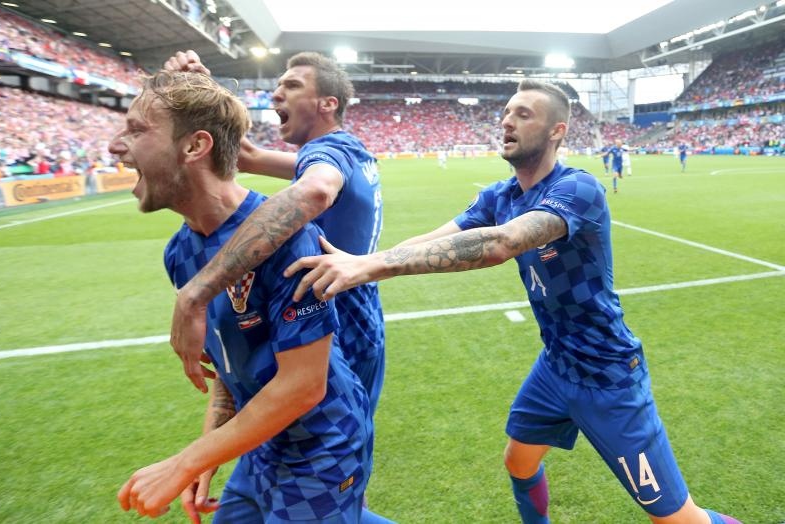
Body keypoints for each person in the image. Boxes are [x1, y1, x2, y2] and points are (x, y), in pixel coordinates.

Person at [284, 80, 741, 524]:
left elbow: (503, 243)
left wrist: (372, 268)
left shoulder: (577, 189)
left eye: (524, 114)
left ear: (557, 130)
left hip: (606, 373)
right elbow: (437, 238)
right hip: (556, 364)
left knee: (678, 518)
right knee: (519, 461)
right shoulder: (501, 195)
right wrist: (366, 260)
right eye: (506, 113)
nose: (507, 121)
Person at [110, 70, 380, 523]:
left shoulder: (288, 239)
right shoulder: (180, 252)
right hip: (260, 442)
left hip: (321, 449)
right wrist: (210, 453)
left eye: (136, 130)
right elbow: (230, 368)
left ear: (195, 147)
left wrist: (186, 461)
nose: (117, 146)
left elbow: (303, 385)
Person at [163, 50, 387, 417]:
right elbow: (245, 154)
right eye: (278, 85)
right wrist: (202, 86)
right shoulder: (347, 150)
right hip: (351, 311)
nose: (276, 93)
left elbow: (315, 192)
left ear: (327, 104)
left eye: (292, 85)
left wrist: (199, 290)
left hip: (336, 320)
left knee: (324, 446)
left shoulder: (331, 151)